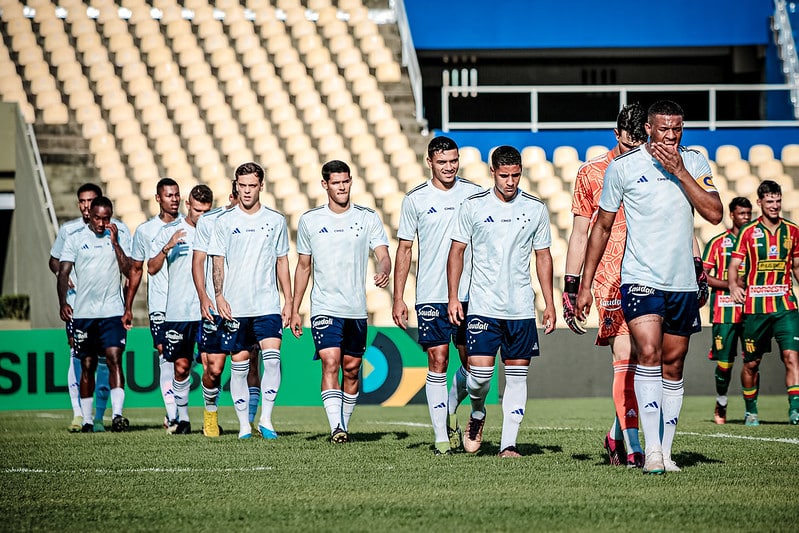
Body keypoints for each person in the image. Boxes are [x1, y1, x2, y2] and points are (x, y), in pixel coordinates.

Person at [576, 100, 723, 474]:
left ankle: (667, 453)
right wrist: (583, 284)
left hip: (681, 282)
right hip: (640, 279)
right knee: (648, 353)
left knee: (674, 364)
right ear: (649, 129)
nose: (671, 136)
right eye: (664, 129)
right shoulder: (623, 168)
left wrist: (680, 172)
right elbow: (601, 228)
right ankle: (651, 452)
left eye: (677, 128)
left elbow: (714, 213)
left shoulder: (695, 162)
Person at [447, 145, 556, 458]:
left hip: (520, 308)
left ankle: (508, 445)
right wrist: (454, 297)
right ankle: (477, 412)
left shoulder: (535, 208)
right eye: (504, 175)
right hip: (482, 306)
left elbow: (543, 256)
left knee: (517, 378)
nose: (510, 181)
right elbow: (456, 252)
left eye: (516, 175)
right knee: (480, 379)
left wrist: (549, 303)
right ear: (492, 172)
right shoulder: (473, 206)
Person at [563, 103, 648, 467]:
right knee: (625, 358)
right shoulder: (592, 172)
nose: (633, 152)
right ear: (616, 136)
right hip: (609, 277)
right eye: (627, 145)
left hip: (652, 273)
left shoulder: (656, 168)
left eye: (639, 144)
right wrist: (571, 285)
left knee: (647, 363)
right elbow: (580, 232)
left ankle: (616, 435)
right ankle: (634, 448)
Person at [392, 136, 482, 455]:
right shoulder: (415, 199)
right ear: (429, 162)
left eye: (453, 161)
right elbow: (405, 248)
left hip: (471, 292)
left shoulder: (475, 194)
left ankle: (451, 406)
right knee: (438, 359)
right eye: (442, 162)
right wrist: (398, 297)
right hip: (431, 293)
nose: (449, 167)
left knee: (474, 366)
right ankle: (441, 437)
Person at [291, 160, 391, 443]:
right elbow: (303, 267)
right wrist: (294, 308)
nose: (342, 187)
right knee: (331, 361)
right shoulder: (311, 220)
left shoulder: (367, 217)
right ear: (325, 185)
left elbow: (383, 254)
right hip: (325, 306)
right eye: (336, 182)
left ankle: (343, 424)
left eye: (346, 181)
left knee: (351, 369)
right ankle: (337, 427)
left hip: (355, 308)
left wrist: (384, 269)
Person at [207, 162, 293, 439]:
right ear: (236, 186)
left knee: (272, 360)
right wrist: (219, 295)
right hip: (236, 306)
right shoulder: (224, 221)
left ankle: (266, 420)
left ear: (261, 186)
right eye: (242, 186)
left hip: (267, 304)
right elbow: (217, 261)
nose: (246, 191)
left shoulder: (275, 220)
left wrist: (289, 300)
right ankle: (244, 425)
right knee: (240, 367)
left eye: (252, 186)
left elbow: (282, 261)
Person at [57, 196, 135, 432]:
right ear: (89, 215)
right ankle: (87, 420)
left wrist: (115, 243)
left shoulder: (118, 235)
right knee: (88, 364)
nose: (102, 223)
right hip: (84, 313)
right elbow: (63, 272)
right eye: (98, 218)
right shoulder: (75, 238)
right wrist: (63, 302)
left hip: (112, 312)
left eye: (106, 219)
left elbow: (129, 271)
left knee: (114, 358)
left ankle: (117, 415)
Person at [727, 180, 799, 426]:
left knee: (791, 356)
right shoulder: (748, 232)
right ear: (759, 202)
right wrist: (733, 285)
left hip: (785, 305)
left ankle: (795, 410)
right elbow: (734, 265)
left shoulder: (792, 231)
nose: (775, 205)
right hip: (755, 307)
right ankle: (751, 411)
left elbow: (796, 266)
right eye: (769, 201)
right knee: (751, 363)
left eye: (778, 201)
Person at [148, 185, 213, 435]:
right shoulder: (170, 231)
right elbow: (151, 268)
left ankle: (210, 417)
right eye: (197, 210)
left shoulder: (215, 230)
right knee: (182, 367)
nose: (201, 216)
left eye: (206, 211)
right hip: (178, 312)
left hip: (207, 311)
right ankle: (182, 419)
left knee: (211, 367)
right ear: (188, 205)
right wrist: (168, 247)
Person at [49, 183, 110, 432]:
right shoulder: (69, 230)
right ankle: (78, 414)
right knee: (77, 354)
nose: (86, 205)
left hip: (106, 307)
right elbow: (54, 260)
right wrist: (63, 274)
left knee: (104, 359)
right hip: (77, 305)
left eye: (91, 200)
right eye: (83, 201)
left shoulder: (112, 230)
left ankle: (101, 415)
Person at [126, 178, 182, 431]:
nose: (174, 199)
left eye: (177, 195)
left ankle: (183, 412)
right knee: (165, 355)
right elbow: (136, 270)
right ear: (158, 198)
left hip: (187, 306)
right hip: (160, 305)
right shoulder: (145, 231)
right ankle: (173, 415)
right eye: (169, 195)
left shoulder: (189, 226)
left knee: (189, 360)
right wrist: (128, 307)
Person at [702, 197, 752, 424]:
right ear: (732, 215)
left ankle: (752, 412)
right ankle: (721, 402)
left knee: (753, 362)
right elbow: (703, 275)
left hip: (752, 310)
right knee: (724, 364)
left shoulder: (756, 240)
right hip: (725, 311)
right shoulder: (718, 243)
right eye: (742, 213)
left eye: (749, 214)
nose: (746, 218)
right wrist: (730, 285)